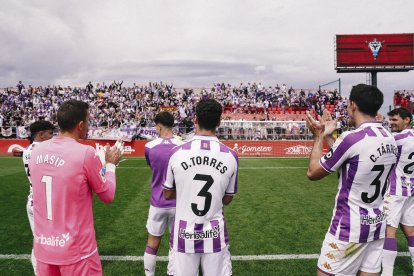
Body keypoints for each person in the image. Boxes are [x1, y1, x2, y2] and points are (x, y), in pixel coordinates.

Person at [306, 84, 397, 276]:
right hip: (378, 223)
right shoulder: (389, 137)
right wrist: (330, 137)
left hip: (349, 227)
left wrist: (318, 137)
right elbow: (354, 161)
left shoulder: (351, 138)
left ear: (353, 105)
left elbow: (313, 172)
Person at [28, 100, 124, 276]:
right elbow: (108, 195)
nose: (88, 126)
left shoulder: (36, 151)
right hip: (77, 251)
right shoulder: (85, 153)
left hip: (44, 248)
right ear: (80, 125)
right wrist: (110, 165)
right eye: (88, 121)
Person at [163, 99, 238, 276]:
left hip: (184, 233)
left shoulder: (177, 153)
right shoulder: (230, 156)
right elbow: (227, 199)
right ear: (219, 122)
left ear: (195, 119)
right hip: (214, 233)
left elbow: (167, 193)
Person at [143, 111, 183, 276]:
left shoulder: (149, 147)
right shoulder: (182, 146)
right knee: (175, 245)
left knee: (152, 242)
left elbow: (152, 167)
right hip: (178, 203)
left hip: (157, 202)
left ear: (159, 126)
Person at [381, 107, 414, 275]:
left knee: (389, 231)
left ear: (407, 119)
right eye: (390, 120)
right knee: (411, 231)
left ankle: (387, 273)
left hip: (395, 190)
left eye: (395, 120)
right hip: (411, 191)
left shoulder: (396, 138)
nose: (391, 123)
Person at [23, 120, 55, 274]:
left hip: (33, 201)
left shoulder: (28, 150)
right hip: (44, 205)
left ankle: (40, 270)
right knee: (44, 241)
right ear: (41, 134)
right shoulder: (44, 151)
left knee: (40, 240)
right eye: (50, 133)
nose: (53, 136)